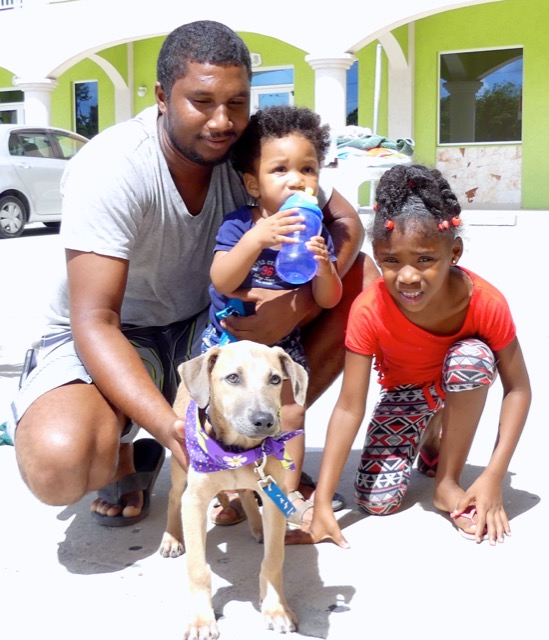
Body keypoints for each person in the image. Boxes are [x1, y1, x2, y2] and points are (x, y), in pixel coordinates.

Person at [6, 20, 378, 526]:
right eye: (201, 102)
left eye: (238, 103)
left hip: (207, 324)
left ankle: (263, 447)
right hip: (119, 334)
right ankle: (127, 441)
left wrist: (296, 306)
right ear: (162, 96)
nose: (222, 122)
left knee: (365, 281)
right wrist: (172, 430)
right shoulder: (114, 167)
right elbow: (95, 320)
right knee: (59, 466)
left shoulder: (254, 152)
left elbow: (347, 224)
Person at [287, 163, 531, 547]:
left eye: (424, 260)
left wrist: (492, 476)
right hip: (408, 393)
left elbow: (518, 389)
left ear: (454, 252)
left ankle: (446, 482)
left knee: (472, 359)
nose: (407, 277)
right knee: (377, 501)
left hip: (458, 378)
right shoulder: (370, 309)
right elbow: (350, 406)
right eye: (391, 261)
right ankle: (431, 429)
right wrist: (321, 505)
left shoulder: (484, 302)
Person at [202, 105, 342, 527]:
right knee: (220, 416)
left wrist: (325, 266)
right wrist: (256, 238)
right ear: (253, 183)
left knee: (292, 414)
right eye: (280, 170)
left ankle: (286, 493)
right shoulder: (239, 224)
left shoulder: (313, 234)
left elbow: (329, 299)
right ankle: (226, 493)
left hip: (281, 348)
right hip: (228, 343)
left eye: (308, 169)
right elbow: (223, 279)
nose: (296, 180)